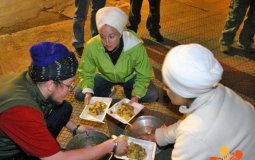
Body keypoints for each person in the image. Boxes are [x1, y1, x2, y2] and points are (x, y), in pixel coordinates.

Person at [0, 42, 128, 159]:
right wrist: (112, 145)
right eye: (69, 85)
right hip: (8, 153)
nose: (70, 90)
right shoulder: (22, 111)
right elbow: (57, 159)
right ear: (51, 84)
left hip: (17, 130)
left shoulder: (34, 80)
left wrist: (76, 129)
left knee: (63, 108)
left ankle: (44, 145)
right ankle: (41, 150)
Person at [139, 44, 255, 159]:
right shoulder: (219, 90)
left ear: (182, 92)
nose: (164, 89)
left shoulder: (193, 135)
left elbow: (191, 132)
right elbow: (188, 124)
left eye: (167, 86)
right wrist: (158, 137)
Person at [74, 7, 159, 105]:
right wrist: (88, 93)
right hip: (104, 75)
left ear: (120, 33)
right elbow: (85, 71)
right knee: (80, 94)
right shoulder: (92, 46)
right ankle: (108, 90)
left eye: (111, 36)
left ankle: (128, 92)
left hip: (129, 76)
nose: (107, 42)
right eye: (102, 36)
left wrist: (136, 96)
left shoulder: (135, 46)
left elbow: (144, 74)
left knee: (152, 95)